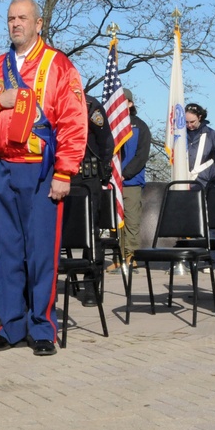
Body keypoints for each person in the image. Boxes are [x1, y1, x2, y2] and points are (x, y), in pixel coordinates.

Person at [0, 0, 87, 356]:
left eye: (23, 18)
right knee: (3, 253)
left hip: (42, 170)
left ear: (38, 23)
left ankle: (43, 327)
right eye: (11, 19)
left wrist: (64, 172)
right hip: (3, 168)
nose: (16, 24)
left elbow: (73, 123)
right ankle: (9, 325)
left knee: (41, 253)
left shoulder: (59, 66)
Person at [75, 94, 114, 304]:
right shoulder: (49, 100)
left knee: (91, 233)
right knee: (52, 233)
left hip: (87, 176)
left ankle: (91, 286)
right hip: (56, 175)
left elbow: (106, 141)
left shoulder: (89, 105)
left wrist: (102, 174)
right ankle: (49, 288)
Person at [116, 88, 152, 270]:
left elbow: (141, 155)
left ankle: (131, 256)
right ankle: (118, 256)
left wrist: (125, 173)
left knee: (131, 221)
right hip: (112, 182)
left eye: (123, 101)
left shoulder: (140, 127)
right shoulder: (111, 126)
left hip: (130, 182)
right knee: (115, 222)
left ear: (130, 103)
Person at [184, 103, 215, 189]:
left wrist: (213, 171)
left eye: (192, 122)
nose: (189, 125)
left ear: (199, 117)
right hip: (183, 181)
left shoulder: (211, 134)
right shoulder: (180, 134)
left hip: (205, 182)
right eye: (186, 122)